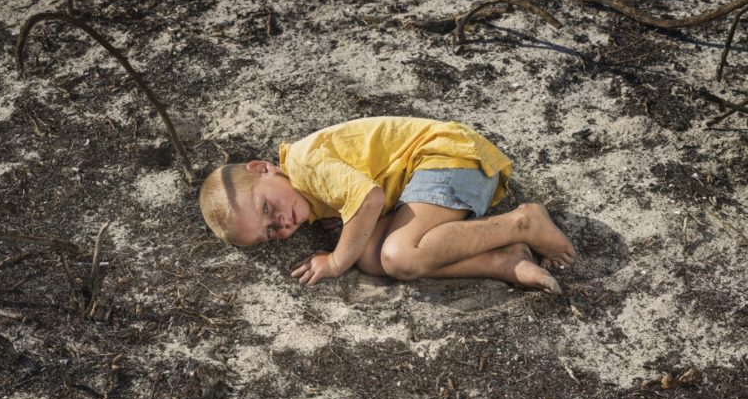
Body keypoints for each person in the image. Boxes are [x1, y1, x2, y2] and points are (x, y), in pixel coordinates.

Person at [199, 116, 575, 293]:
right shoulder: (309, 194)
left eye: (267, 209)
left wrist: (334, 262)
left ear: (263, 168)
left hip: (449, 158)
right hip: (429, 174)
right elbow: (357, 201)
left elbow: (369, 198)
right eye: (269, 233)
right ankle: (503, 261)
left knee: (400, 256)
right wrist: (345, 232)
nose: (279, 223)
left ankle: (523, 224)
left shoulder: (305, 163)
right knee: (369, 256)